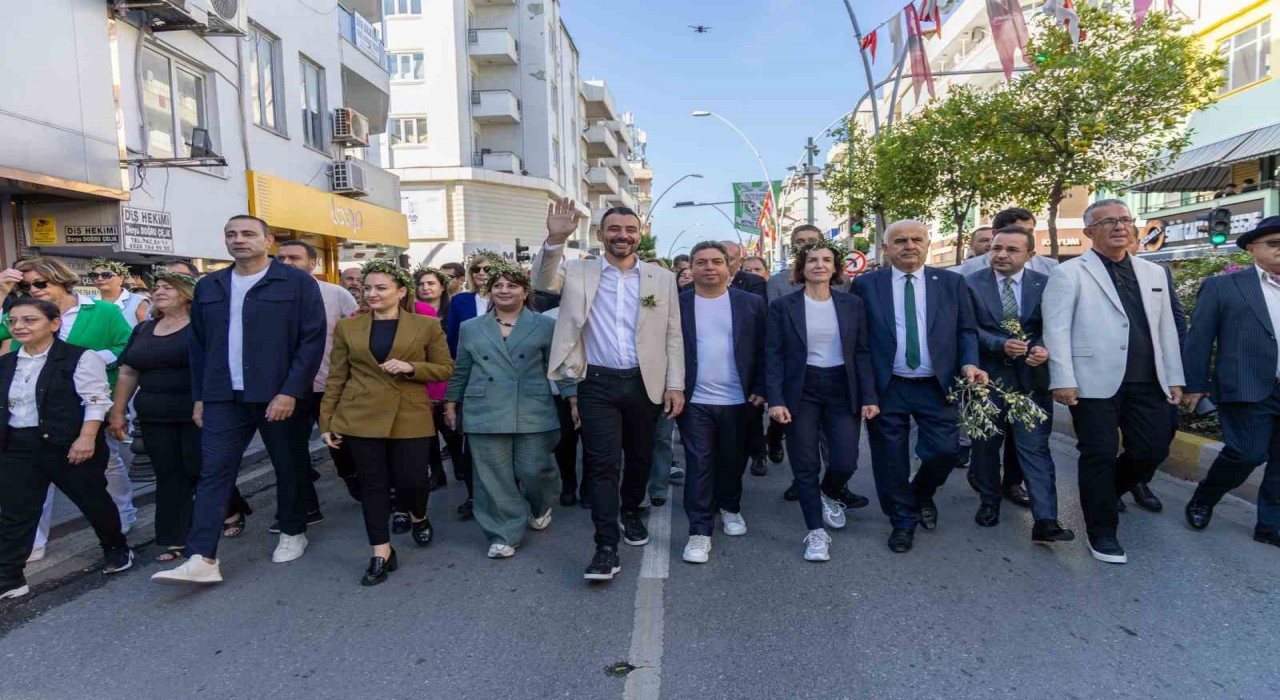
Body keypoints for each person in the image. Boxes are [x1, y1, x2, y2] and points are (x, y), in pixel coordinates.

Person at [151, 215, 326, 585]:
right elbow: (198, 346)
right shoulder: (211, 285)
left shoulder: (296, 282)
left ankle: (294, 531)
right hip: (222, 395)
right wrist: (200, 397)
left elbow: (311, 340)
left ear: (268, 240)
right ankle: (202, 557)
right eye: (231, 234)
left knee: (288, 464)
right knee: (213, 472)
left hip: (276, 393)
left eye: (248, 234)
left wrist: (290, 390)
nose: (238, 240)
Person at [533, 198, 684, 582]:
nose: (623, 235)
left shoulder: (660, 278)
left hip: (643, 383)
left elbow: (672, 335)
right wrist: (555, 239)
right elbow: (542, 282)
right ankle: (605, 546)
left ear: (640, 235)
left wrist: (675, 385)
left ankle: (630, 511)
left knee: (639, 459)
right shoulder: (577, 271)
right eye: (615, 229)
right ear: (601, 235)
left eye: (630, 230)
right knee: (601, 465)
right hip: (595, 383)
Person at [1042, 200, 1184, 565]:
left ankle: (1105, 493)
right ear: (1089, 232)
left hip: (1148, 381)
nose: (1120, 227)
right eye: (1108, 222)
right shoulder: (1069, 273)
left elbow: (1167, 328)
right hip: (1092, 383)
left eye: (1124, 220)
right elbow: (1055, 330)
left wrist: (1176, 377)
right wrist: (1063, 378)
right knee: (1098, 455)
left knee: (1151, 451)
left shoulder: (1154, 274)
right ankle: (1101, 532)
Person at [854, 220, 987, 554]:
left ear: (928, 244)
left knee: (945, 451)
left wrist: (969, 362)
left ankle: (922, 492)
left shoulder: (952, 283)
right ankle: (902, 520)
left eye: (916, 239)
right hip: (888, 386)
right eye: (899, 241)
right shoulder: (867, 285)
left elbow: (966, 330)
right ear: (886, 249)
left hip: (937, 385)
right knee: (890, 460)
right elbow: (857, 340)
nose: (908, 245)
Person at [320, 260, 452, 585]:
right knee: (373, 486)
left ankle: (418, 515)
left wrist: (411, 368)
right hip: (360, 415)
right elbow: (337, 376)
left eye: (381, 288)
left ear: (400, 291)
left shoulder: (425, 325)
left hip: (409, 413)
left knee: (412, 481)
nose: (372, 294)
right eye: (367, 288)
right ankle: (381, 552)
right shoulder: (349, 327)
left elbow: (445, 368)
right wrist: (327, 420)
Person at [107, 269, 251, 561]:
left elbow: (217, 367)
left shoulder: (203, 327)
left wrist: (208, 401)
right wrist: (118, 410)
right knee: (169, 474)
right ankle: (176, 537)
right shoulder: (143, 330)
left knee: (201, 469)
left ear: (187, 296)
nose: (159, 292)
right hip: (153, 414)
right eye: (157, 287)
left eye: (168, 288)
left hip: (197, 411)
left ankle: (230, 509)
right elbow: (128, 370)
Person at [0, 257, 135, 562]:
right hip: (30, 420)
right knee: (28, 492)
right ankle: (28, 548)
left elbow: (126, 347)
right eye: (25, 285)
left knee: (101, 477)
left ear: (60, 279)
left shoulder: (101, 311)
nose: (32, 290)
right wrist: (2, 292)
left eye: (39, 283)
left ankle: (120, 524)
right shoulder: (20, 317)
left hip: (84, 409)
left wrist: (94, 358)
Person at [445, 263, 570, 559]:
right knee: (492, 478)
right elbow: (462, 367)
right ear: (489, 291)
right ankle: (503, 533)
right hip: (484, 408)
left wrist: (573, 397)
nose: (504, 290)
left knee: (535, 469)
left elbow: (558, 366)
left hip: (532, 407)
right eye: (498, 285)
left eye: (512, 285)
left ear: (525, 292)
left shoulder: (545, 325)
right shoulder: (471, 327)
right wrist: (451, 402)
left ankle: (541, 505)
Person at [767, 241, 878, 561]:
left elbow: (862, 352)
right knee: (805, 464)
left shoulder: (851, 305)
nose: (819, 265)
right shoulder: (783, 306)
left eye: (826, 260)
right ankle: (816, 532)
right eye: (812, 260)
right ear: (801, 268)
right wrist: (775, 399)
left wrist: (869, 395)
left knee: (846, 460)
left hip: (842, 387)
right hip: (801, 390)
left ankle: (828, 493)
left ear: (835, 268)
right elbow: (773, 355)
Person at [964, 227, 1074, 543]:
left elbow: (1051, 327)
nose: (1001, 254)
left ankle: (1046, 520)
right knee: (985, 447)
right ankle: (989, 501)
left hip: (1031, 382)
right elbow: (967, 330)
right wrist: (999, 344)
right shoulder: (970, 284)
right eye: (996, 247)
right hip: (986, 381)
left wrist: (1042, 348)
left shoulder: (1046, 284)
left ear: (1030, 255)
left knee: (1035, 449)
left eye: (1012, 249)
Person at [1183, 216, 1280, 549]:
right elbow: (1199, 339)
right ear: (1252, 248)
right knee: (1246, 454)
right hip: (1248, 386)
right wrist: (1195, 384)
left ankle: (1270, 525)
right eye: (1274, 243)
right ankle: (1204, 498)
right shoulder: (1224, 286)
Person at [676, 242, 766, 564]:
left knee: (732, 459)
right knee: (699, 463)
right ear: (692, 267)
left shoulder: (751, 303)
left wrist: (762, 386)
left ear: (730, 266)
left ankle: (729, 506)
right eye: (701, 262)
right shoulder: (678, 303)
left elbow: (765, 348)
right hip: (694, 399)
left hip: (740, 398)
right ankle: (699, 532)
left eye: (716, 261)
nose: (709, 267)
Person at [276, 240, 360, 522]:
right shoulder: (267, 296)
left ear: (313, 263)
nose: (286, 262)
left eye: (294, 258)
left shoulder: (336, 294)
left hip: (331, 385)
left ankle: (354, 480)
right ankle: (306, 506)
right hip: (286, 390)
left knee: (342, 445)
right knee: (291, 452)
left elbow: (356, 337)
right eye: (281, 258)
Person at [765, 225, 854, 482]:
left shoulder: (844, 283)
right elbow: (775, 335)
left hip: (834, 371)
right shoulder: (778, 282)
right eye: (801, 241)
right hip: (797, 371)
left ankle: (835, 486)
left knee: (836, 440)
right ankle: (802, 480)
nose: (807, 245)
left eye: (812, 241)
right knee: (802, 437)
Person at [444, 251, 499, 519]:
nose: (481, 274)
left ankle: (506, 493)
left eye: (487, 269)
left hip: (504, 380)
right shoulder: (461, 301)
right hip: (470, 379)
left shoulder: (509, 297)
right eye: (476, 270)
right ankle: (473, 496)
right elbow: (452, 340)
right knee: (471, 441)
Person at [413, 266, 458, 494]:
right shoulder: (410, 312)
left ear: (442, 286)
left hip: (451, 375)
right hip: (422, 378)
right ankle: (437, 473)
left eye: (431, 283)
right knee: (428, 432)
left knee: (452, 429)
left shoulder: (453, 310)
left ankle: (461, 468)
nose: (425, 288)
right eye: (421, 284)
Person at [956, 209, 1059, 277]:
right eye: (1018, 231)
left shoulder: (1050, 266)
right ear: (995, 233)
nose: (1027, 236)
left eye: (1030, 231)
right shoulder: (971, 267)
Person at [90, 257, 149, 327]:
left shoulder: (138, 301)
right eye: (94, 275)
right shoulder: (87, 301)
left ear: (121, 278)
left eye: (106, 275)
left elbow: (145, 330)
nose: (99, 279)